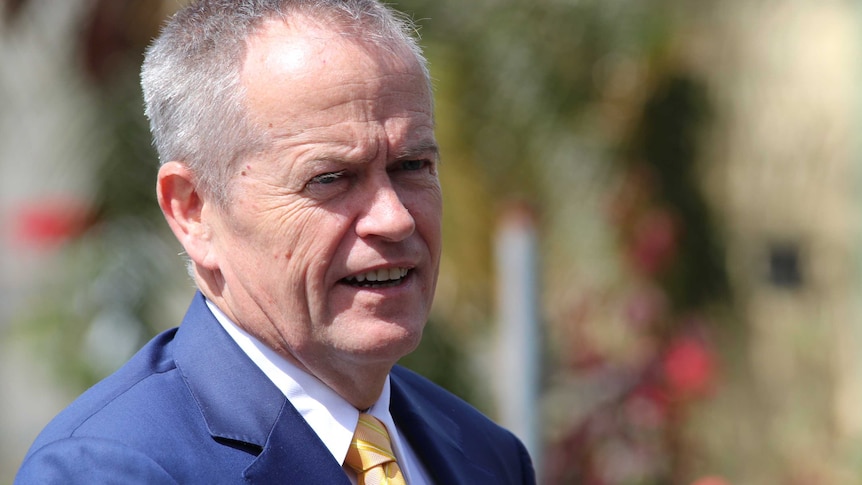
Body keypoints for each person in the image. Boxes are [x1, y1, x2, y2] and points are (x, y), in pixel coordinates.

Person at [15, 0, 536, 483]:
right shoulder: (112, 468)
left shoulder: (485, 456)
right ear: (193, 211)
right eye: (330, 178)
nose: (394, 218)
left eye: (412, 166)